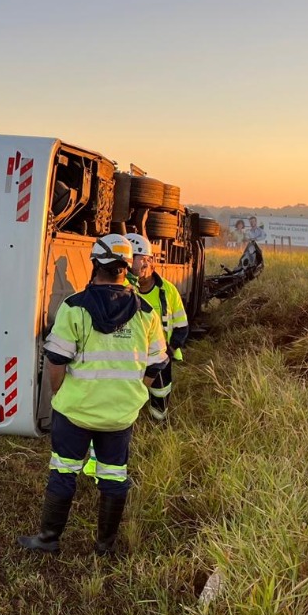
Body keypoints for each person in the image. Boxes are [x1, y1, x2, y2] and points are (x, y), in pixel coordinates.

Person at [17, 233, 168, 556]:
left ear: (94, 264)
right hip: (121, 415)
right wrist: (134, 391)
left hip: (75, 411)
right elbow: (157, 363)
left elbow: (56, 361)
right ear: (126, 267)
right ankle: (104, 546)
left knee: (64, 470)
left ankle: (48, 539)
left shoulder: (74, 308)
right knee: (114, 477)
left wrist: (59, 395)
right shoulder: (146, 312)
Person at [124, 233, 189, 423]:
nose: (141, 265)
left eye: (145, 259)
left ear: (150, 261)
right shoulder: (122, 289)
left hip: (160, 357)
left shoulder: (167, 290)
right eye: (136, 260)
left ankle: (158, 425)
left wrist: (168, 352)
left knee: (160, 393)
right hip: (131, 357)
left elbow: (181, 327)